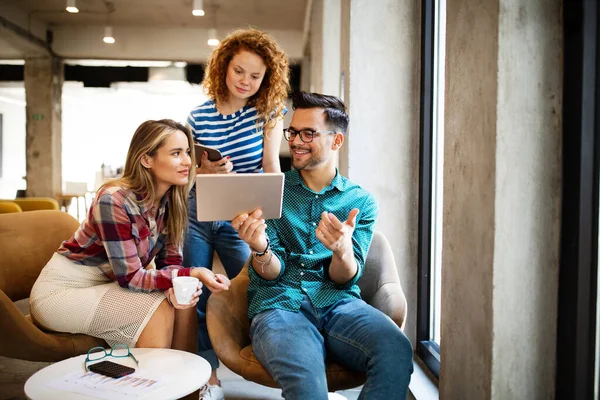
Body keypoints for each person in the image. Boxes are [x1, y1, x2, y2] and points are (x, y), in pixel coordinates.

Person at [231, 92, 414, 399]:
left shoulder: (360, 201)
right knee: (307, 383)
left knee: (396, 349)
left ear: (336, 141)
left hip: (339, 303)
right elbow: (271, 274)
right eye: (293, 131)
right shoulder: (271, 190)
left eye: (308, 133)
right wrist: (260, 247)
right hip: (280, 305)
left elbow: (344, 277)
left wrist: (342, 251)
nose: (295, 141)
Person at [30, 119, 231, 361]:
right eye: (176, 153)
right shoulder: (113, 200)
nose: (188, 161)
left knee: (184, 300)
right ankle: (150, 388)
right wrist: (193, 272)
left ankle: (183, 392)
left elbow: (171, 262)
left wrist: (180, 284)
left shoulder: (172, 201)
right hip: (62, 292)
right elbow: (131, 278)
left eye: (187, 152)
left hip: (106, 286)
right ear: (146, 159)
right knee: (160, 309)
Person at [183, 28, 290, 398]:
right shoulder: (197, 116)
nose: (246, 81)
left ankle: (266, 360)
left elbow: (270, 162)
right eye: (238, 71)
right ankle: (207, 377)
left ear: (267, 78)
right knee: (194, 291)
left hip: (242, 215)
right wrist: (204, 171)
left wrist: (279, 208)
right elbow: (188, 173)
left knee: (252, 289)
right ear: (223, 69)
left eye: (255, 75)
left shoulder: (268, 112)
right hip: (198, 212)